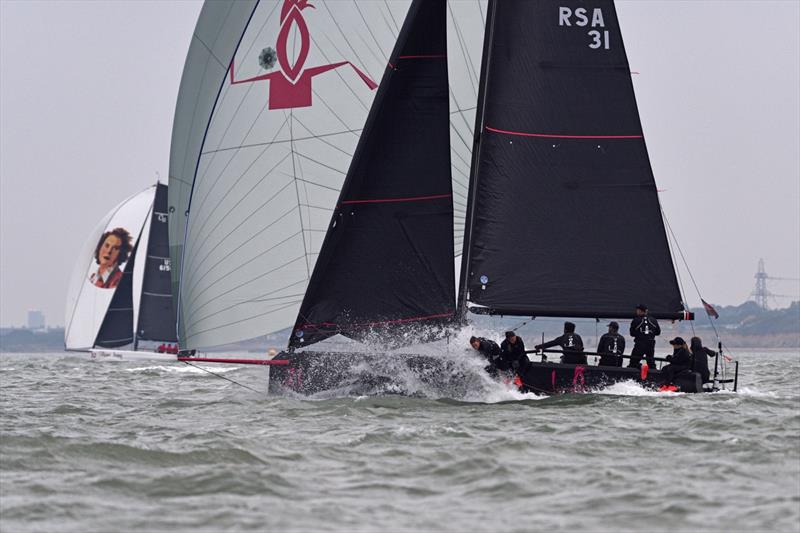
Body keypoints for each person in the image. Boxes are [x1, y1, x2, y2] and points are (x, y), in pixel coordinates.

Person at [628, 304, 660, 369]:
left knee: (633, 362)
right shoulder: (654, 320)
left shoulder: (636, 320)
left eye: (637, 310)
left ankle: (632, 375)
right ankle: (654, 375)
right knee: (651, 362)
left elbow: (632, 333)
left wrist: (640, 335)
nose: (636, 311)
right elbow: (658, 332)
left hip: (640, 344)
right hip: (651, 344)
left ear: (640, 311)